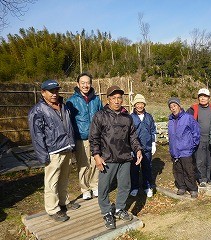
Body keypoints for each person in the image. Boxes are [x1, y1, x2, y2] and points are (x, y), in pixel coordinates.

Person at [89, 85, 143, 229]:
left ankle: (119, 209)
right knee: (104, 187)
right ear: (108, 100)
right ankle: (106, 212)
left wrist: (137, 149)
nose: (117, 101)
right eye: (114, 98)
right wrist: (96, 156)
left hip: (125, 158)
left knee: (125, 185)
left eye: (119, 98)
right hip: (107, 159)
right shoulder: (100, 116)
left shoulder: (127, 117)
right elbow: (94, 138)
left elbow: (133, 136)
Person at [28, 79, 79, 222]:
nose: (54, 94)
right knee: (52, 181)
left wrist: (72, 145)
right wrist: (43, 155)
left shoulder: (63, 106)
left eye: (56, 90)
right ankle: (52, 209)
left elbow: (69, 127)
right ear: (43, 92)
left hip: (66, 148)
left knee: (64, 178)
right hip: (53, 151)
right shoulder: (38, 111)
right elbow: (37, 135)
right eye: (51, 91)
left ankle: (63, 202)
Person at [66, 72, 103, 200]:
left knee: (95, 162)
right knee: (83, 164)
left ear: (91, 84)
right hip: (80, 138)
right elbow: (68, 122)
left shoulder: (96, 99)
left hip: (96, 137)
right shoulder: (71, 101)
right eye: (83, 83)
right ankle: (85, 188)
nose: (86, 85)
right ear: (78, 84)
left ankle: (94, 185)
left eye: (88, 83)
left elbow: (102, 117)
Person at [167, 97, 200, 198]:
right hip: (175, 150)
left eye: (175, 106)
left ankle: (192, 188)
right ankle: (182, 186)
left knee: (188, 170)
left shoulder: (188, 117)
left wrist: (192, 145)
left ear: (179, 106)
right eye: (171, 107)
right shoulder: (171, 120)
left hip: (186, 149)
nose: (173, 108)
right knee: (178, 170)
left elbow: (196, 132)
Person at [187, 88, 211, 187]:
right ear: (198, 98)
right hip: (198, 139)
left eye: (205, 96)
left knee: (210, 159)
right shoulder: (193, 109)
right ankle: (202, 178)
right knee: (200, 160)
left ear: (209, 98)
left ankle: (209, 177)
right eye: (201, 96)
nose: (203, 98)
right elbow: (187, 122)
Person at [130, 94, 157, 198]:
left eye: (141, 103)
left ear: (144, 104)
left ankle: (147, 186)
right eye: (137, 103)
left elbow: (153, 130)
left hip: (147, 147)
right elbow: (128, 133)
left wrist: (153, 143)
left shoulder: (149, 117)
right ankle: (134, 187)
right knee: (134, 168)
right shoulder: (131, 117)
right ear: (134, 105)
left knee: (147, 167)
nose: (140, 106)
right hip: (134, 149)